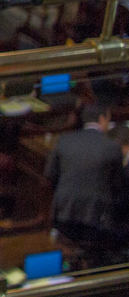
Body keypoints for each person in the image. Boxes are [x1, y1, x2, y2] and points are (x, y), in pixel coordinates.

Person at [45, 104, 126, 259]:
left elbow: (50, 175)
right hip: (97, 218)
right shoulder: (112, 147)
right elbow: (118, 185)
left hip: (64, 213)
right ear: (103, 119)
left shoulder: (64, 140)